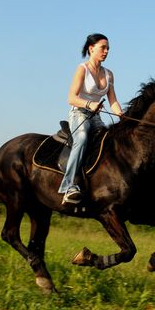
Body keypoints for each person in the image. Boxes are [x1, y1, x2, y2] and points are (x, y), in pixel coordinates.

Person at [58, 33, 123, 204]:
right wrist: (88, 105)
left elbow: (113, 101)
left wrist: (123, 116)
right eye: (103, 47)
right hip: (79, 114)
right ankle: (69, 186)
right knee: (82, 138)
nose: (106, 51)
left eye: (108, 48)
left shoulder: (109, 74)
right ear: (91, 49)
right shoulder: (82, 69)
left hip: (96, 118)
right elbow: (71, 98)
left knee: (108, 141)